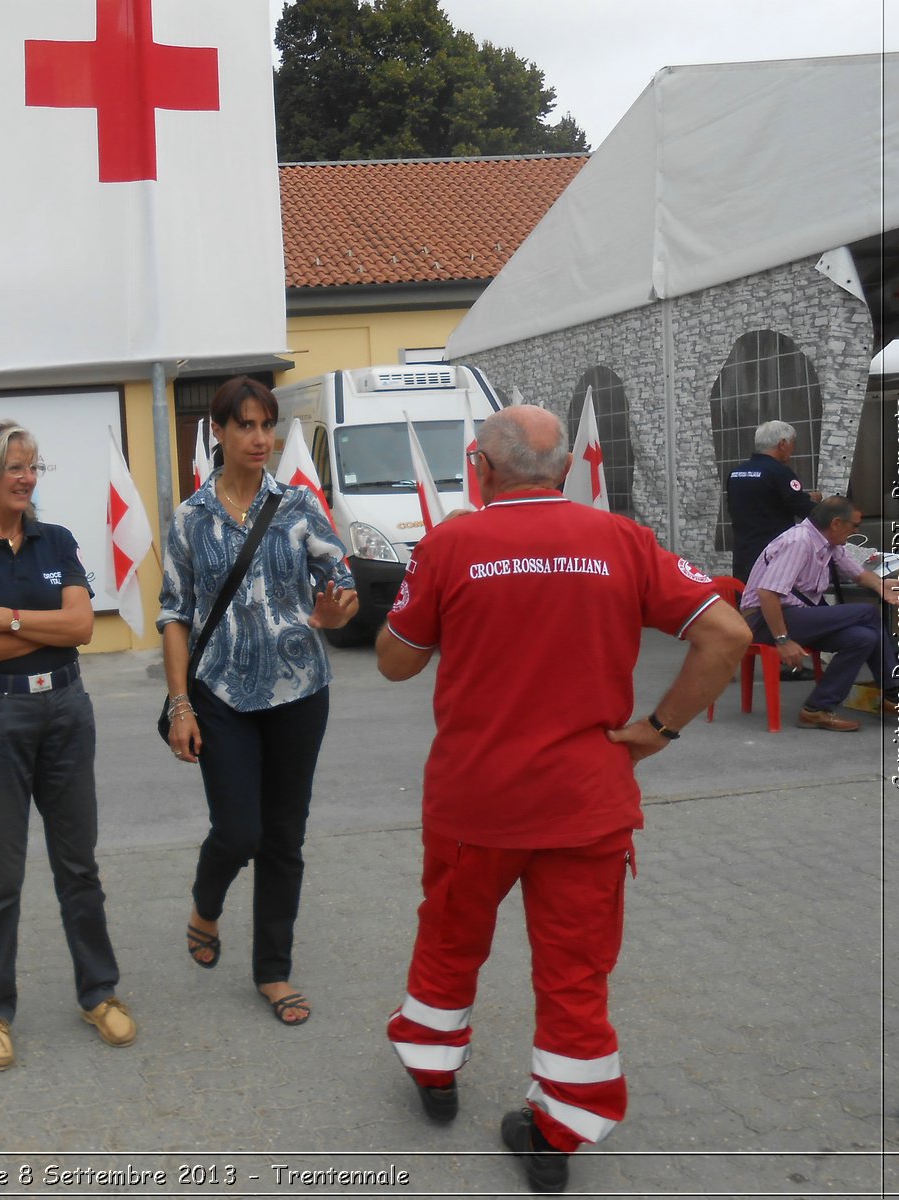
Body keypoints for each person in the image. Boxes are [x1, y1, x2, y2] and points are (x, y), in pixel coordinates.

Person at [375, 405, 749, 1194]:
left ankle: (434, 1072)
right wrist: (659, 729)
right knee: (576, 972)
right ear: (565, 471)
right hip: (588, 803)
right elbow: (728, 634)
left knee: (449, 938)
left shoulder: (451, 543)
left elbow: (395, 665)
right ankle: (558, 1132)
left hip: (476, 804)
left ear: (480, 468)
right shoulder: (621, 540)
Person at [0, 419, 133, 1071]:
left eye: (32, 467)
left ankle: (98, 993)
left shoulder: (57, 540)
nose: (26, 477)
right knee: (1, 873)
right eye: (15, 466)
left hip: (66, 709)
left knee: (79, 864)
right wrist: (23, 630)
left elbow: (82, 628)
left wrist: (5, 616)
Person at [158, 377, 359, 1027]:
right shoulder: (191, 520)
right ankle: (205, 905)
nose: (260, 438)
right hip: (220, 696)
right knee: (239, 829)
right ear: (218, 432)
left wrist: (332, 612)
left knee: (284, 837)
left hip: (300, 693)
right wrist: (180, 704)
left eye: (267, 425)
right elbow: (174, 618)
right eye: (245, 425)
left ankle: (273, 971)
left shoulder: (299, 506)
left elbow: (341, 584)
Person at [739, 495, 899, 732]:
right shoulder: (799, 541)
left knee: (864, 638)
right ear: (836, 524)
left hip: (799, 616)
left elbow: (859, 574)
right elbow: (768, 593)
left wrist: (882, 586)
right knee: (867, 612)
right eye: (854, 526)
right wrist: (783, 640)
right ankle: (894, 696)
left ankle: (815, 710)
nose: (855, 531)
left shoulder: (829, 543)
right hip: (764, 619)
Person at [726, 419, 821, 583]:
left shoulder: (736, 473)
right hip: (774, 555)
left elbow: (759, 500)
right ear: (782, 443)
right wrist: (831, 509)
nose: (793, 449)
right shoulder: (779, 472)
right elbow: (804, 508)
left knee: (746, 602)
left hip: (744, 554)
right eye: (793, 443)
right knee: (774, 603)